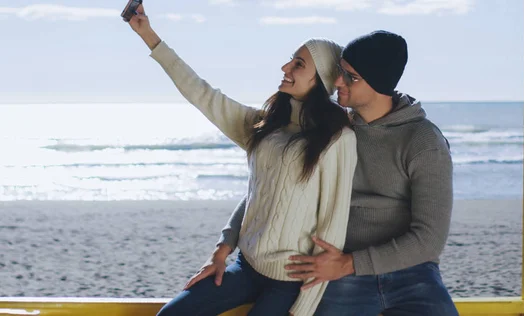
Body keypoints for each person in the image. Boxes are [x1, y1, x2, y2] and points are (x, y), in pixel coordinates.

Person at [126, 4, 357, 316]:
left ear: (320, 80)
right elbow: (203, 94)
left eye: (298, 64)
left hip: (289, 283)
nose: (285, 67)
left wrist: (303, 308)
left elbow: (332, 226)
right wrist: (150, 37)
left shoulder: (337, 139)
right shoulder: (266, 126)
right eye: (291, 60)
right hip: (245, 267)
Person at [225, 30, 459, 315]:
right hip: (337, 271)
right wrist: (227, 241)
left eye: (350, 76)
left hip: (409, 272)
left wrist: (349, 263)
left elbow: (430, 239)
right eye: (339, 72)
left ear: (379, 84)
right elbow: (273, 185)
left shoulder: (423, 141)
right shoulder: (331, 129)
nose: (337, 82)